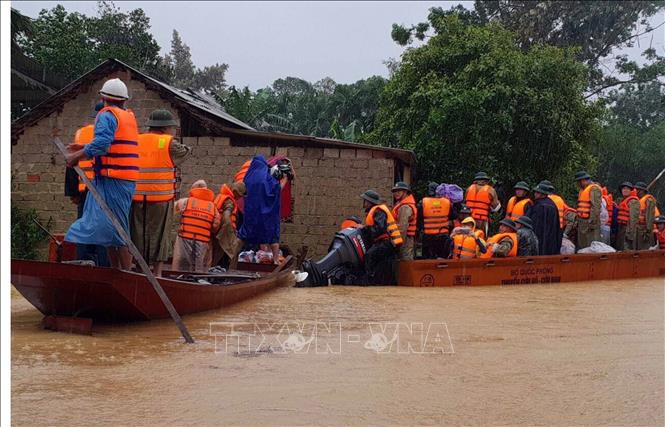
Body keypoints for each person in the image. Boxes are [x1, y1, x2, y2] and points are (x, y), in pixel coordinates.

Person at [64, 78, 139, 270]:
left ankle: (125, 274)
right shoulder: (127, 116)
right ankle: (117, 272)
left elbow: (102, 145)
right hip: (119, 179)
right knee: (110, 230)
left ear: (103, 97)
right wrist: (82, 147)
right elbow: (113, 144)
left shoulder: (106, 115)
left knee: (118, 228)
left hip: (113, 179)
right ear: (124, 100)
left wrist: (77, 156)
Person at [130, 110, 192, 276]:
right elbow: (186, 152)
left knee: (138, 235)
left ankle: (139, 270)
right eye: (172, 127)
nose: (174, 130)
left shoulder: (136, 140)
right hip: (160, 198)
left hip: (136, 198)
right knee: (160, 236)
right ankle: (156, 274)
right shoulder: (169, 143)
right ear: (165, 128)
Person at [63, 101, 110, 267]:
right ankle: (103, 267)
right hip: (104, 190)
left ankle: (82, 265)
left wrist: (72, 192)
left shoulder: (81, 133)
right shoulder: (111, 133)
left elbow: (71, 163)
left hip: (84, 190)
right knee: (103, 230)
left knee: (84, 228)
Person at [236, 156, 285, 264]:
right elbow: (276, 190)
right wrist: (284, 179)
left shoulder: (247, 178)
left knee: (242, 236)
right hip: (267, 216)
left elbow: (243, 192)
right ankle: (276, 261)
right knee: (272, 238)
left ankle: (233, 257)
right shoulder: (268, 178)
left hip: (251, 214)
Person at [173, 180, 221, 272]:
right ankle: (200, 279)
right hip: (203, 242)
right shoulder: (213, 208)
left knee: (182, 267)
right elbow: (215, 226)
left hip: (184, 239)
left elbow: (171, 210)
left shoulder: (185, 202)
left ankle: (177, 277)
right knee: (201, 267)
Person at [358, 190, 403, 284]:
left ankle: (368, 281)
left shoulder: (378, 211)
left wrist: (364, 229)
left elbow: (379, 228)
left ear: (370, 202)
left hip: (388, 242)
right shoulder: (376, 211)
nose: (364, 203)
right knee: (383, 265)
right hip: (388, 242)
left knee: (369, 256)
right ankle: (378, 281)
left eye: (365, 201)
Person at [213, 181, 246, 269]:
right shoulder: (229, 202)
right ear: (235, 192)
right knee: (233, 250)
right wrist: (230, 234)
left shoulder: (221, 196)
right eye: (240, 195)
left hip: (216, 230)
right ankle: (229, 274)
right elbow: (226, 217)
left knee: (215, 256)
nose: (239, 198)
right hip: (223, 232)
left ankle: (211, 271)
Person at [528, 182, 562, 255]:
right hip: (551, 241)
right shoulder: (552, 204)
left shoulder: (540, 206)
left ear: (542, 194)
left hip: (541, 240)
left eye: (537, 192)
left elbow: (535, 225)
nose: (535, 194)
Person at [420, 184, 453, 259]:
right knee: (442, 259)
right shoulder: (446, 202)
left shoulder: (424, 202)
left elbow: (419, 217)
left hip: (428, 236)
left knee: (428, 259)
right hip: (443, 235)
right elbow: (453, 215)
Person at [465, 172, 501, 236]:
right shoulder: (491, 190)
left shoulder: (469, 188)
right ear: (486, 180)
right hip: (481, 220)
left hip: (468, 218)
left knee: (467, 237)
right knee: (481, 237)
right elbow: (496, 207)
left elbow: (465, 201)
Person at [574, 171, 602, 250]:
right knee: (583, 245)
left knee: (590, 246)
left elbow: (596, 207)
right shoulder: (582, 190)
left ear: (583, 180)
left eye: (578, 182)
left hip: (589, 223)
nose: (578, 184)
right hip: (582, 222)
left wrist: (592, 222)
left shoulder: (594, 189)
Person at [391, 182, 417, 260]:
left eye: (399, 191)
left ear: (405, 192)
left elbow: (402, 228)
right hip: (403, 239)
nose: (396, 193)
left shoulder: (405, 207)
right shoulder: (400, 204)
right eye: (395, 191)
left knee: (405, 262)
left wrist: (397, 244)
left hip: (404, 240)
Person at [615, 182, 640, 251]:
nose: (625, 190)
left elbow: (633, 219)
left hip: (628, 229)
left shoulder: (633, 201)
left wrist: (630, 233)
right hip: (621, 228)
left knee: (627, 248)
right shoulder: (623, 201)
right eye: (623, 189)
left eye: (627, 189)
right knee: (620, 248)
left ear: (631, 190)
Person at [635, 181, 660, 250]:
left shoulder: (649, 200)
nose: (636, 191)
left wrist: (647, 232)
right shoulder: (639, 200)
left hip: (647, 230)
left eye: (638, 190)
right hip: (642, 229)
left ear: (643, 191)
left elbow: (649, 219)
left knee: (645, 249)